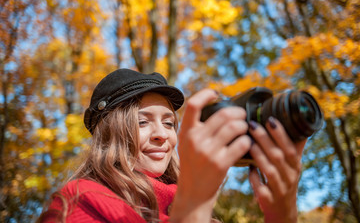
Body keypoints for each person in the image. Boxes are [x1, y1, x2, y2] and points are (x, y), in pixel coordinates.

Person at [38, 68, 306, 223]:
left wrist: (283, 216)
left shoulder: (190, 206)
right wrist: (193, 206)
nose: (162, 135)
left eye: (169, 124)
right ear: (111, 135)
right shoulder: (78, 203)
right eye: (142, 122)